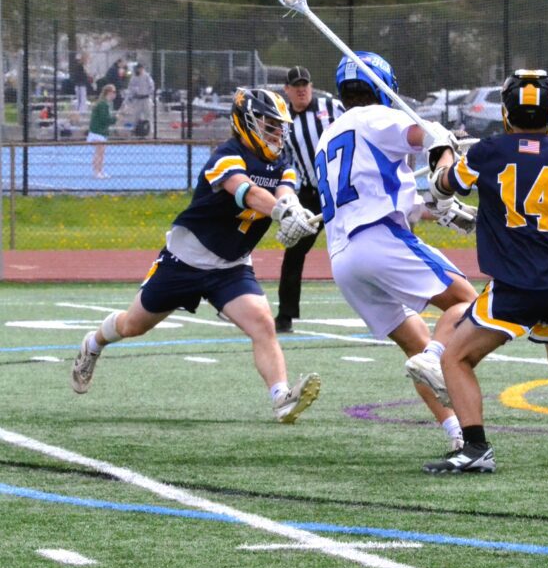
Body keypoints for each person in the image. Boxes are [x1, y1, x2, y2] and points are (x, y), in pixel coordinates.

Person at [71, 88, 323, 424]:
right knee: (133, 325)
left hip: (231, 267)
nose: (278, 133)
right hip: (185, 261)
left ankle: (281, 398)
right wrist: (281, 211)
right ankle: (93, 343)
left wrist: (295, 210)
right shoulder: (226, 156)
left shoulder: (281, 163)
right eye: (270, 125)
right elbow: (246, 192)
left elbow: (286, 192)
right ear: (247, 122)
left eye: (280, 126)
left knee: (263, 324)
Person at [415, 69, 548, 474]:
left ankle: (475, 447)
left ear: (506, 112)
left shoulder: (488, 152)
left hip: (516, 285)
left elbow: (443, 186)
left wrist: (445, 150)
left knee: (455, 358)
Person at [316, 51, 478, 452]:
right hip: (378, 238)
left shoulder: (328, 135)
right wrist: (443, 154)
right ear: (384, 86)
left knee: (414, 344)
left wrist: (441, 210)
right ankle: (437, 356)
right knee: (469, 305)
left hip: (343, 259)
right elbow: (426, 135)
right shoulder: (376, 117)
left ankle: (457, 433)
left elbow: (384, 194)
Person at [273, 66, 346, 334]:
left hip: (344, 191)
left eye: (305, 84)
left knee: (367, 244)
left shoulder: (332, 107)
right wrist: (289, 197)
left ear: (311, 86)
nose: (302, 90)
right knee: (294, 251)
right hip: (312, 195)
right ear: (287, 90)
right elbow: (286, 162)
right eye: (296, 86)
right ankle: (285, 315)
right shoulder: (285, 122)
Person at [87, 84, 118, 178]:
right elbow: (104, 119)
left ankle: (100, 171)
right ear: (109, 92)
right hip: (97, 132)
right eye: (114, 92)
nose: (115, 94)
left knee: (101, 153)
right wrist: (115, 118)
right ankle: (96, 171)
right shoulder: (103, 104)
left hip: (100, 132)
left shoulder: (105, 104)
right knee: (99, 152)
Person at [124, 63, 155, 136]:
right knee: (136, 115)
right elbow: (130, 87)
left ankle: (150, 130)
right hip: (137, 99)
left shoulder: (147, 76)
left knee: (148, 114)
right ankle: (135, 129)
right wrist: (133, 93)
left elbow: (152, 86)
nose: (139, 70)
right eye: (138, 69)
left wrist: (148, 92)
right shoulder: (134, 77)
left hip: (146, 98)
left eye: (141, 69)